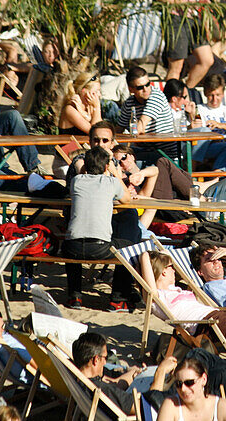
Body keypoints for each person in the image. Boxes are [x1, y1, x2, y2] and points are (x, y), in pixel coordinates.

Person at [71, 332, 226, 419]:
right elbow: (142, 406)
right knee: (198, 355)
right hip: (155, 404)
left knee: (220, 375)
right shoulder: (101, 389)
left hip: (143, 394)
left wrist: (129, 374)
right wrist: (160, 373)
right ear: (95, 360)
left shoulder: (83, 381)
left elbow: (116, 390)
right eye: (105, 357)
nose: (107, 361)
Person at [61, 146, 140, 310]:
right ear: (106, 167)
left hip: (72, 247)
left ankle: (74, 296)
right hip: (99, 247)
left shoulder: (76, 181)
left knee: (71, 241)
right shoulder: (111, 182)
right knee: (130, 248)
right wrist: (115, 172)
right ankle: (118, 298)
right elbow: (126, 199)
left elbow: (83, 174)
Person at [157, 0, 214, 90]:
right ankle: (170, 100)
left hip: (193, 18)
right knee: (176, 66)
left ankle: (184, 92)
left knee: (206, 60)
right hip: (176, 18)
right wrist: (184, 4)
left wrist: (202, 0)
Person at [156, 356, 226, 421]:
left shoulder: (221, 407)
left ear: (203, 380)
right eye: (179, 384)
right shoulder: (171, 406)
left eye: (189, 383)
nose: (183, 389)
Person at [118, 67, 178, 158]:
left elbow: (139, 128)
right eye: (140, 87)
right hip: (145, 151)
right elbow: (118, 131)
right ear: (131, 89)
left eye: (148, 84)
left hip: (165, 154)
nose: (146, 89)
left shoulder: (157, 96)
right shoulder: (128, 103)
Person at [192, 73, 226, 171]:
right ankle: (217, 175)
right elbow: (196, 134)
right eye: (211, 95)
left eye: (218, 95)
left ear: (223, 94)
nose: (215, 99)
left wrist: (220, 125)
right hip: (208, 148)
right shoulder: (199, 110)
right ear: (205, 93)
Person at [56, 71, 103, 135]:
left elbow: (102, 130)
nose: (99, 94)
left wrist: (84, 114)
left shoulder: (89, 107)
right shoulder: (70, 109)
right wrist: (97, 107)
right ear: (83, 91)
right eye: (96, 91)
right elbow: (96, 133)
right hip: (70, 144)